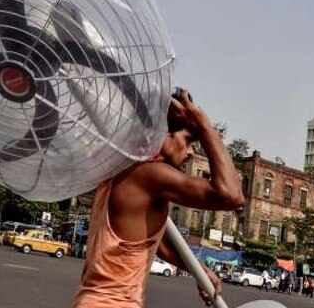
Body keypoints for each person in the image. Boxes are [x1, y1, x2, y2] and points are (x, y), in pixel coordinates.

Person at [70, 89, 245, 308]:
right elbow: (231, 195)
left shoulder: (119, 173)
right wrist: (204, 124)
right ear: (162, 132)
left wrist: (200, 269)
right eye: (189, 140)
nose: (190, 152)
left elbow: (159, 245)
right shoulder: (149, 174)